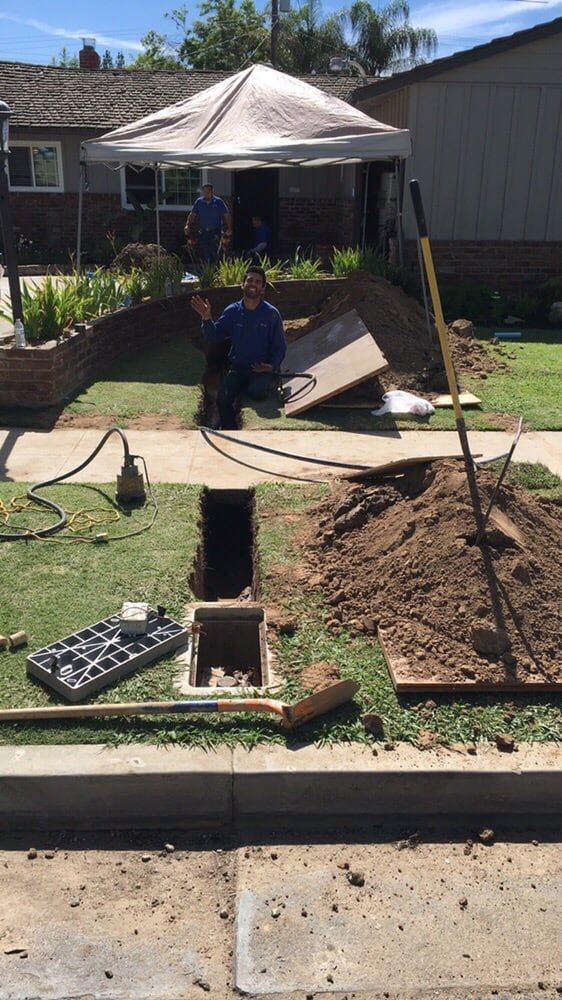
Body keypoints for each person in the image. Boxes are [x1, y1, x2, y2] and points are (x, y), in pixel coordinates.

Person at [191, 265, 286, 430]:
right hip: (238, 367)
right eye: (249, 280)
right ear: (242, 284)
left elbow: (280, 347)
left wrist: (271, 366)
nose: (253, 284)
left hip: (260, 368)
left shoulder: (271, 314)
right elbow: (214, 336)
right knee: (223, 398)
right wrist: (207, 319)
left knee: (257, 392)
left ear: (263, 288)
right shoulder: (233, 312)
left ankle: (265, 382)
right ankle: (230, 430)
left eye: (257, 282)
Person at [185, 183, 232, 264]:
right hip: (203, 230)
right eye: (205, 191)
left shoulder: (218, 202)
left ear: (212, 191)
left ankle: (214, 270)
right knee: (204, 250)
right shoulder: (199, 202)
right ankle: (207, 271)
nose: (206, 193)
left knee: (214, 251)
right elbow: (192, 215)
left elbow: (227, 215)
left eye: (208, 191)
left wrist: (229, 228)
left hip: (215, 230)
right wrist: (187, 225)